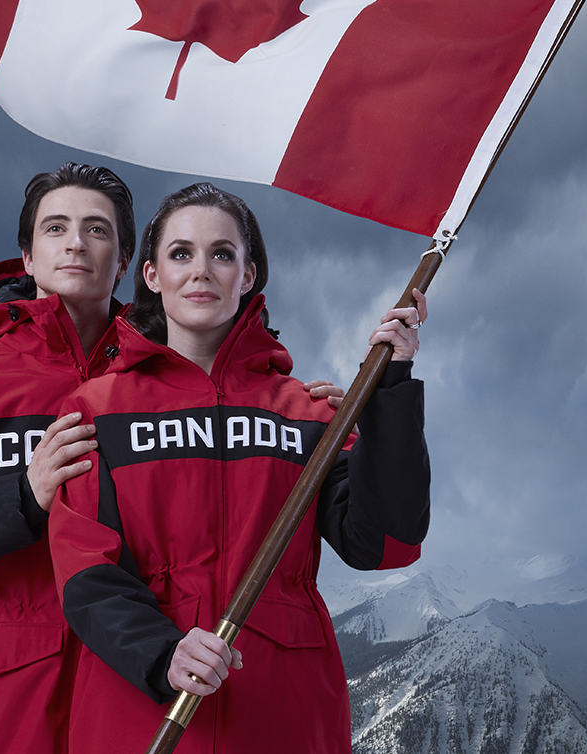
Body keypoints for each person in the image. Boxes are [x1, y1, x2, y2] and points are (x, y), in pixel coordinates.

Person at [0, 166, 345, 753]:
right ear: (27, 257)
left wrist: (303, 410)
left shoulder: (159, 391)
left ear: (130, 262)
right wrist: (19, 498)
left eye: (97, 230)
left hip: (135, 700)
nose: (76, 243)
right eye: (55, 228)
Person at [48, 183, 430, 753]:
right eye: (181, 254)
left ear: (248, 276)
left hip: (284, 715)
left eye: (222, 254)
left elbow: (387, 544)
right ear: (152, 275)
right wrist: (161, 653)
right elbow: (84, 572)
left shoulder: (308, 412)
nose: (201, 271)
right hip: (141, 712)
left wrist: (388, 392)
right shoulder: (96, 410)